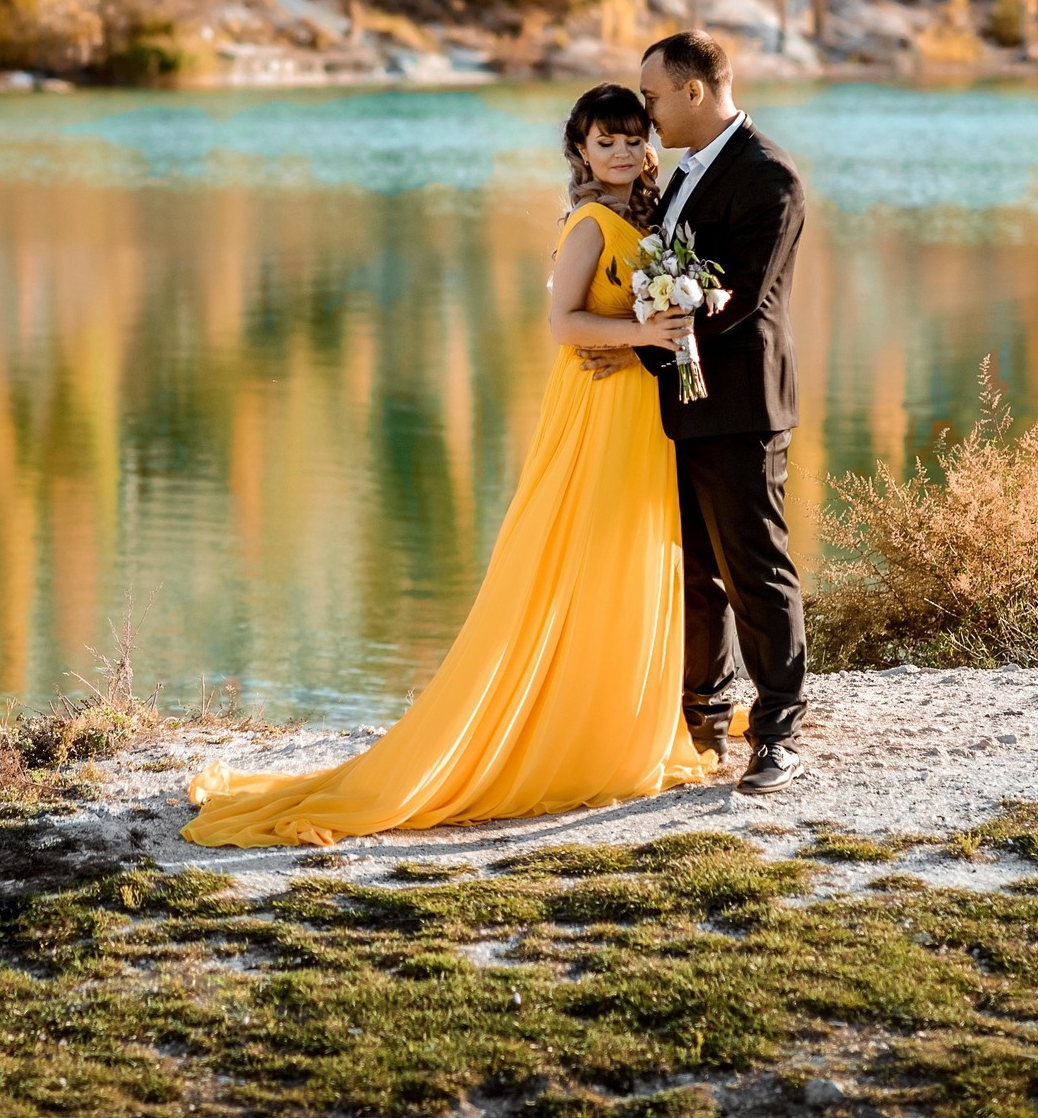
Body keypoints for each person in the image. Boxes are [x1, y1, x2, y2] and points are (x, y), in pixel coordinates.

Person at [181, 83, 719, 847]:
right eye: (608, 141)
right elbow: (562, 322)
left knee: (628, 558)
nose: (626, 152)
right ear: (581, 150)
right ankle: (570, 730)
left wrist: (672, 321)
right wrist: (644, 330)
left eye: (635, 139)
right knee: (575, 554)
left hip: (638, 411)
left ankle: (620, 716)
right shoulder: (592, 223)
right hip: (597, 411)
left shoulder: (647, 218)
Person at [579, 29, 810, 793]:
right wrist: (639, 339)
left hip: (742, 408)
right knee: (697, 572)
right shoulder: (683, 175)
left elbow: (739, 305)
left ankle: (776, 731)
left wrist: (636, 345)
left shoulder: (769, 178)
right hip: (680, 405)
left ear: (693, 91)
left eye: (651, 96)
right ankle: (702, 718)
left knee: (756, 568)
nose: (646, 112)